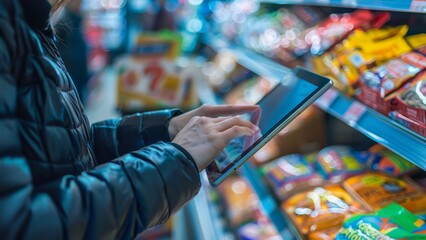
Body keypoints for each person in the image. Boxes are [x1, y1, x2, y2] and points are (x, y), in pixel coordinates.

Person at [0, 0, 259, 239]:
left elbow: (64, 153)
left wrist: (166, 130)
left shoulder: (26, 20)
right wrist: (176, 158)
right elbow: (25, 226)